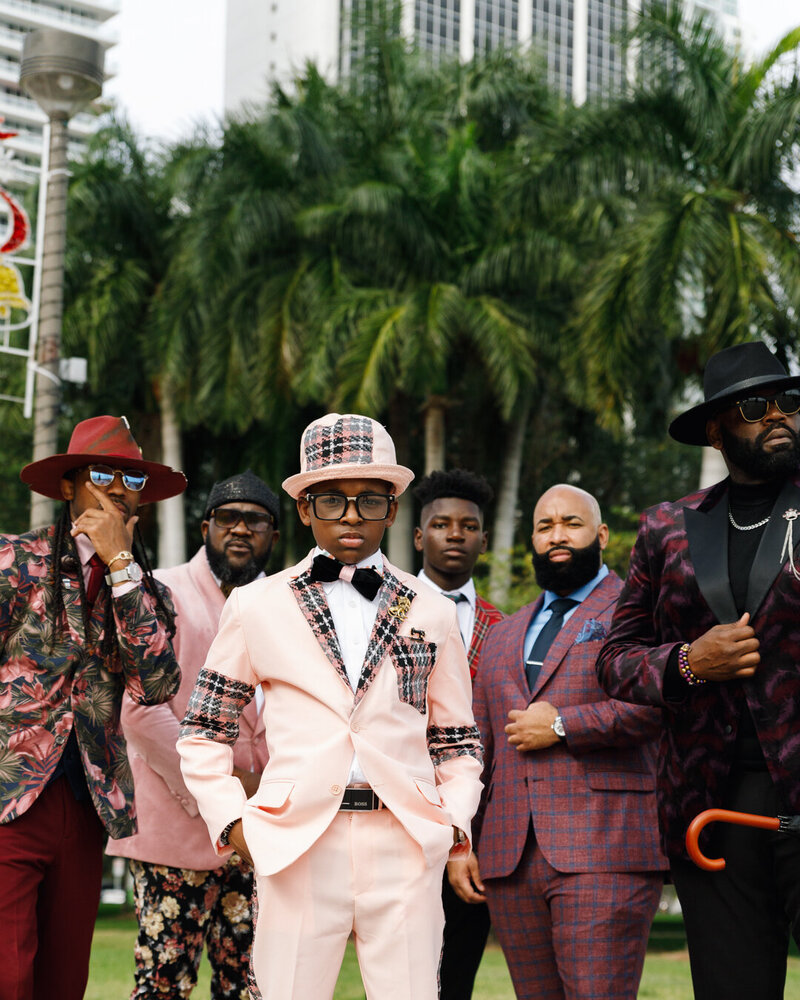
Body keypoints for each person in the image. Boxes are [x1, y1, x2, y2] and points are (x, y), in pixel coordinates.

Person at [177, 413, 484, 1000]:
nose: (350, 515)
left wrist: (452, 820)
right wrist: (232, 822)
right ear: (304, 508)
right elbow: (203, 730)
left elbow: (457, 739)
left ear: (392, 508)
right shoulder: (255, 605)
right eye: (332, 500)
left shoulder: (431, 609)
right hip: (296, 842)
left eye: (369, 500)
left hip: (405, 837)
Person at [596, 341, 800, 1000]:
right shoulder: (666, 529)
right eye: (754, 406)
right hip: (712, 808)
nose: (778, 417)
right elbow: (613, 660)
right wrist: (689, 661)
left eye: (790, 402)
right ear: (716, 428)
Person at [449, 484, 665, 1000]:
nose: (557, 536)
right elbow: (478, 748)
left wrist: (564, 724)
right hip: (508, 858)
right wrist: (464, 839)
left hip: (604, 849)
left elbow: (660, 705)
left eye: (571, 523)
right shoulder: (505, 632)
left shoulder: (641, 611)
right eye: (545, 527)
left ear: (602, 535)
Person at [0, 414, 185, 1000]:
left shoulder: (150, 593)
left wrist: (122, 569)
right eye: (101, 473)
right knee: (7, 975)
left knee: (63, 982)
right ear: (67, 487)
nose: (115, 488)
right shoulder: (12, 562)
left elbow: (156, 685)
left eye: (130, 479)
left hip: (87, 806)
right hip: (10, 799)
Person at [107, 470, 280, 999]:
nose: (241, 530)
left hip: (261, 833)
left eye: (256, 521)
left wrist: (272, 789)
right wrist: (227, 782)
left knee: (253, 986)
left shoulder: (287, 604)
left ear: (275, 534)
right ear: (207, 526)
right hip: (175, 828)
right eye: (229, 518)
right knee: (163, 985)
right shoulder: (161, 593)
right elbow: (138, 710)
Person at [413, 468, 503, 1000]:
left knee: (457, 981)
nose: (454, 534)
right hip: (392, 819)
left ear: (483, 540)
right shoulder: (384, 612)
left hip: (477, 834)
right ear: (420, 536)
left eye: (468, 526)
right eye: (441, 524)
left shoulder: (506, 626)